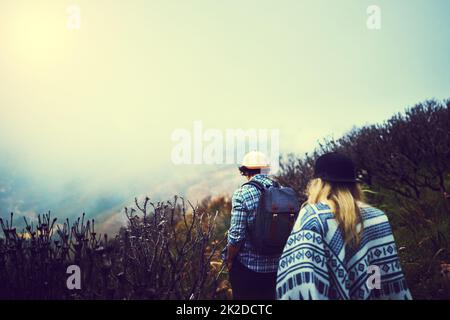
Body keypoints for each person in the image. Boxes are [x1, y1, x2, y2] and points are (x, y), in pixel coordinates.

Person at [276, 152, 412, 300]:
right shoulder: (378, 217)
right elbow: (381, 276)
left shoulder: (312, 218)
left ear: (318, 183)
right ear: (353, 183)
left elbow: (301, 282)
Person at [225, 151, 280, 300]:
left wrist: (229, 259)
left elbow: (236, 236)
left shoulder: (242, 194)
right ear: (266, 170)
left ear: (245, 171)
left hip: (249, 270)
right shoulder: (281, 191)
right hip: (277, 268)